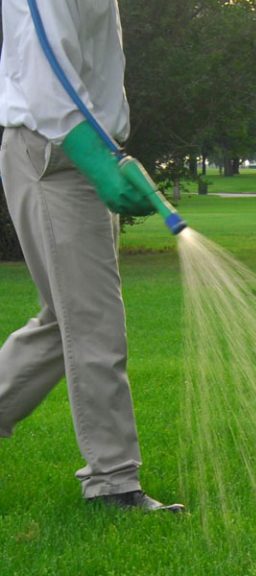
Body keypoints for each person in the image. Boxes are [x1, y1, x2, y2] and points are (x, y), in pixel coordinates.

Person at [0, 0, 183, 512]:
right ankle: (114, 483)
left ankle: (112, 477)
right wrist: (95, 162)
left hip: (81, 150)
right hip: (57, 152)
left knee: (66, 320)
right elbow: (45, 68)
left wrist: (108, 155)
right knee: (93, 323)